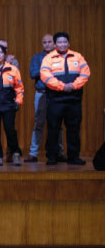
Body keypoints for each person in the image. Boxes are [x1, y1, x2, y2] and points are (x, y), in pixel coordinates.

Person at [40, 31, 90, 166]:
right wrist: (62, 86)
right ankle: (52, 157)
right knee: (53, 129)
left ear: (68, 43)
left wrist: (73, 86)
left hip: (74, 99)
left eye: (65, 42)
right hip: (56, 100)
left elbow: (85, 74)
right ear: (55, 44)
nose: (62, 44)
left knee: (74, 129)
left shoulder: (78, 56)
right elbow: (45, 76)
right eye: (59, 42)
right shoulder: (48, 58)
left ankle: (73, 157)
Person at [27, 34, 65, 163]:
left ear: (54, 44)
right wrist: (47, 68)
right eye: (45, 42)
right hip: (41, 93)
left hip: (57, 93)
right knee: (39, 123)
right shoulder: (37, 57)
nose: (47, 44)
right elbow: (33, 74)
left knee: (58, 124)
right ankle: (33, 153)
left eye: (49, 42)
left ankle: (59, 152)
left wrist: (45, 70)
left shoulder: (60, 57)